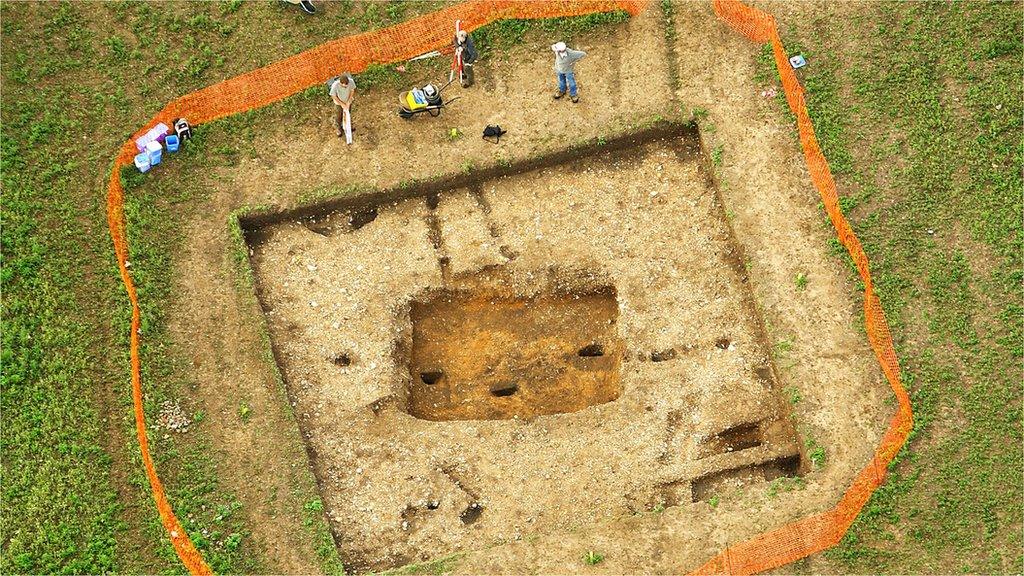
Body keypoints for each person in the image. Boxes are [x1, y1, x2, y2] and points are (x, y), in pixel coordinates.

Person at [329, 73, 356, 140]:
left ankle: (348, 126)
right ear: (340, 83)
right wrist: (342, 104)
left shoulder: (351, 82)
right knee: (338, 116)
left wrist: (349, 101)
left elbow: (352, 90)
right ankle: (338, 128)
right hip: (338, 103)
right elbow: (333, 96)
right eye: (344, 86)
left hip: (347, 102)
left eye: (346, 85)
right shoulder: (335, 85)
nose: (345, 87)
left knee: (348, 114)